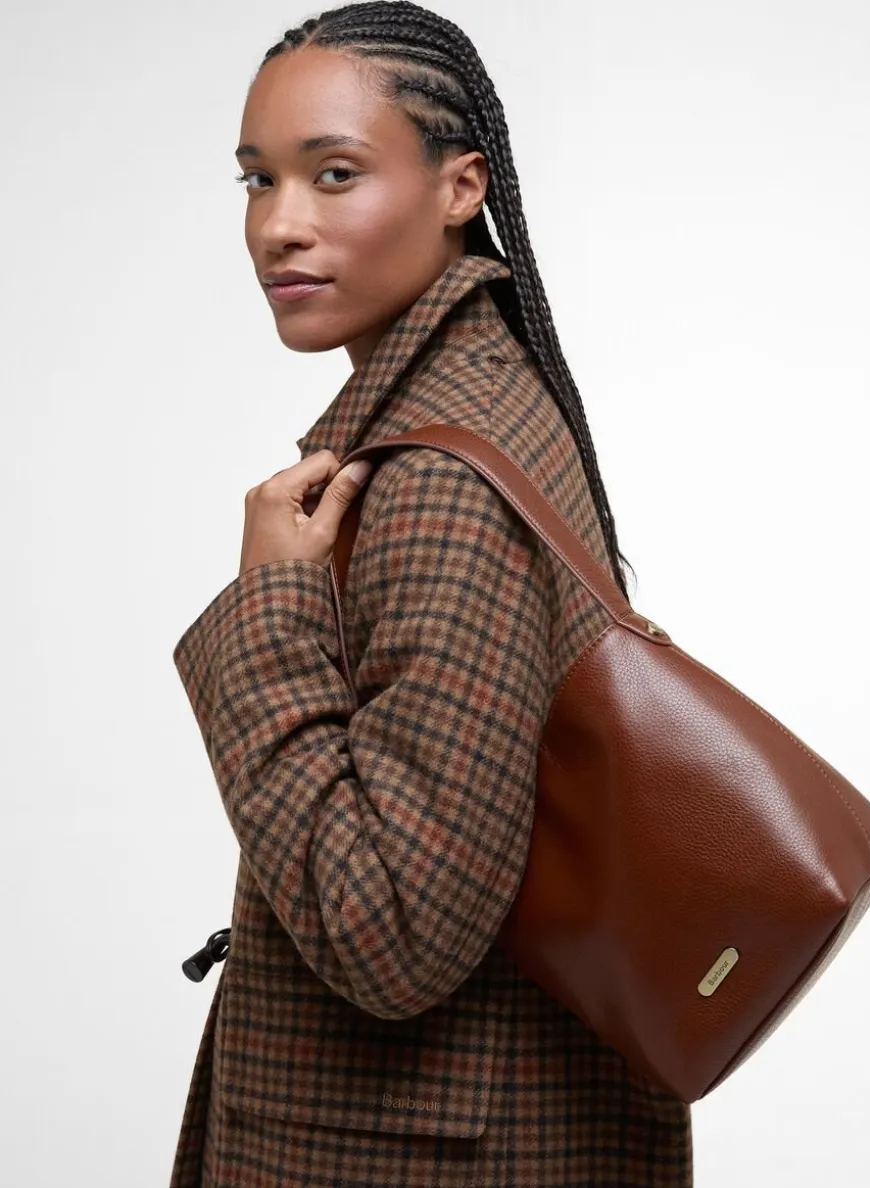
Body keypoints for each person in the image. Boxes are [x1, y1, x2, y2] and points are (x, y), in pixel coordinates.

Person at [168, 3, 692, 1185]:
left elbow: (393, 936)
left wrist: (270, 614)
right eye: (257, 179)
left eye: (334, 173)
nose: (278, 226)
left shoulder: (439, 478)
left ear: (461, 187)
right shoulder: (475, 404)